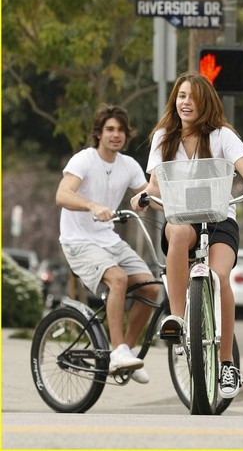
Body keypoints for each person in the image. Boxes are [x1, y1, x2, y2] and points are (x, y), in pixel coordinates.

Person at [131, 72, 243, 398]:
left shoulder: (222, 136)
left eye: (193, 97)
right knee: (176, 234)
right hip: (182, 219)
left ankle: (228, 363)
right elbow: (155, 184)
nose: (186, 102)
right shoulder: (164, 137)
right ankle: (176, 319)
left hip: (219, 218)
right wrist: (144, 195)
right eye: (181, 96)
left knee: (219, 276)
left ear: (206, 103)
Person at [56, 103, 158, 383]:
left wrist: (166, 194)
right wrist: (91, 205)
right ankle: (117, 351)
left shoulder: (129, 165)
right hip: (78, 241)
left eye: (121, 130)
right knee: (118, 279)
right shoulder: (84, 160)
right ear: (99, 133)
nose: (116, 135)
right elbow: (62, 195)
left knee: (150, 288)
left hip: (108, 239)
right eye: (110, 129)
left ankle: (127, 350)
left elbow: (153, 194)